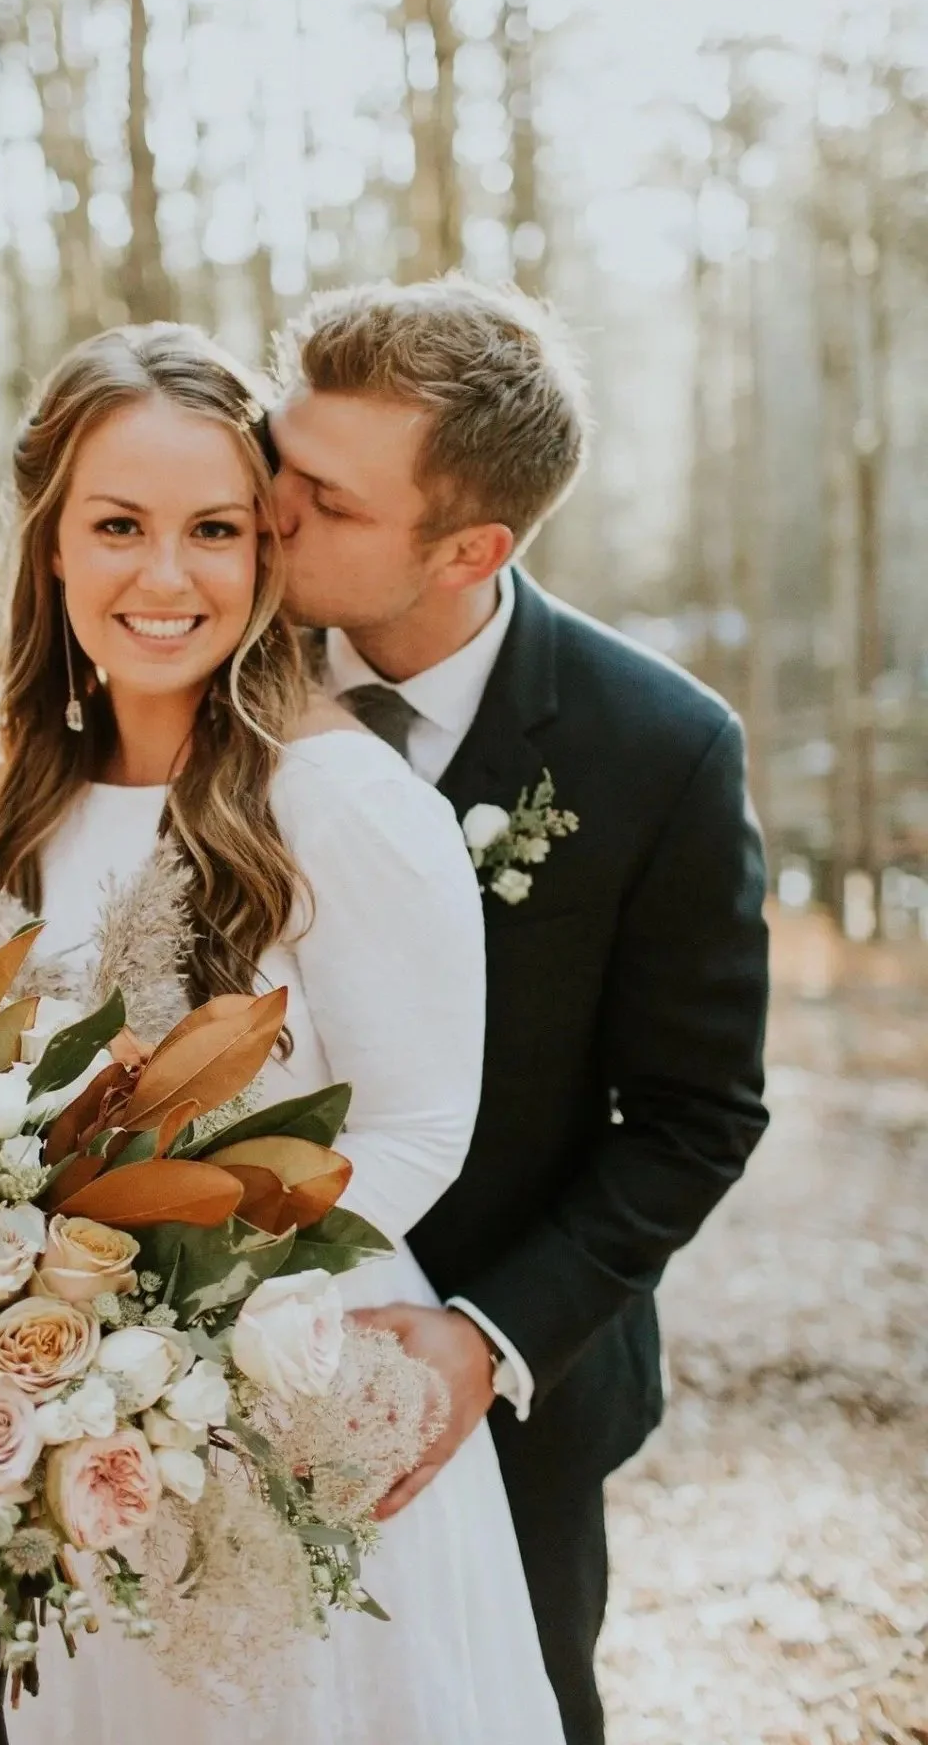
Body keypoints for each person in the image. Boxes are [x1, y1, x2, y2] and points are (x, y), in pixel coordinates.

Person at [0, 323, 565, 1745]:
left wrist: (189, 1308)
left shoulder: (339, 799)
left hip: (289, 1391)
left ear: (267, 551)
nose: (166, 577)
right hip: (53, 1412)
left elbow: (416, 1127)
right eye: (118, 526)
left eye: (215, 528)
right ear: (50, 546)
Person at [268, 274, 772, 1745]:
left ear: (468, 548)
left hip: (507, 1390)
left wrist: (485, 1341)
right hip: (190, 1361)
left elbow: (697, 1115)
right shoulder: (199, 677)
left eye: (327, 499)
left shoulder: (659, 750)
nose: (270, 513)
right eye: (277, 459)